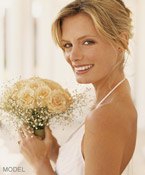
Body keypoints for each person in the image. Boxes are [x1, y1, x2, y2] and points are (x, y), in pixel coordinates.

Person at [18, 0, 137, 175]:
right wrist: (54, 151)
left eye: (87, 42)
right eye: (67, 45)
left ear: (121, 41)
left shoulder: (104, 117)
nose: (73, 56)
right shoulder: (112, 98)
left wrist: (40, 163)